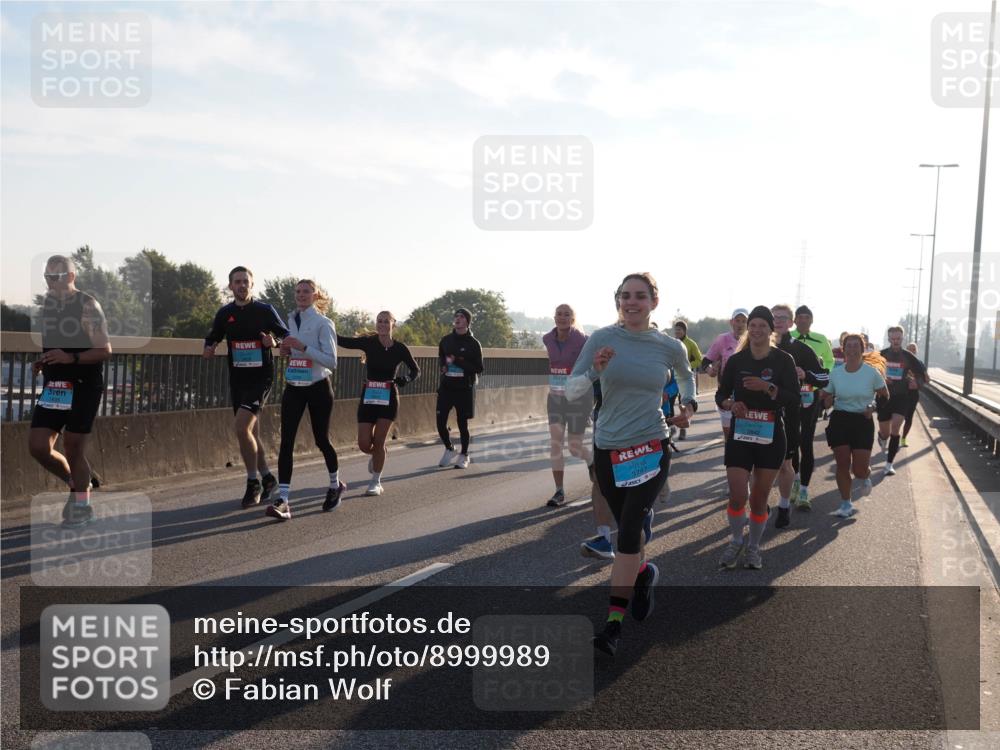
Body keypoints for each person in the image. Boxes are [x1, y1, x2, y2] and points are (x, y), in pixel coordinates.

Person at [565, 272, 696, 656]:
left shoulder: (669, 346)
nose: (631, 302)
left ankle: (612, 627)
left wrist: (689, 406)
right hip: (609, 449)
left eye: (640, 296)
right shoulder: (602, 340)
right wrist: (595, 371)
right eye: (625, 296)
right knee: (629, 532)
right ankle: (643, 572)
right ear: (618, 301)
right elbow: (572, 390)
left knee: (627, 533)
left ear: (654, 301)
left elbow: (687, 380)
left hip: (651, 446)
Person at [28, 255, 112, 528]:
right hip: (56, 387)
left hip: (84, 385)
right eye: (48, 276)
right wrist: (45, 361)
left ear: (71, 277)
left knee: (73, 446)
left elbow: (104, 350)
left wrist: (70, 359)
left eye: (57, 276)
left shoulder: (87, 305)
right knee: (38, 447)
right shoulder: (49, 305)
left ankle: (82, 505)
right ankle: (75, 482)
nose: (51, 281)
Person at [715, 306, 799, 570]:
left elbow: (794, 399)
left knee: (759, 498)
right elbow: (721, 395)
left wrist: (768, 387)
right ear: (747, 329)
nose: (756, 330)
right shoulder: (737, 361)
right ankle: (736, 540)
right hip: (741, 433)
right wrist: (730, 405)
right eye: (753, 325)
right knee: (738, 495)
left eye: (762, 325)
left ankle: (753, 548)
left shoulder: (783, 360)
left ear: (771, 330)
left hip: (771, 435)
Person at [204, 266, 290, 507]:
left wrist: (274, 342)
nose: (241, 285)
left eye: (245, 281)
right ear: (230, 286)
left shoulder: (264, 311)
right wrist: (208, 347)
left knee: (241, 428)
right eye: (237, 282)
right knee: (250, 433)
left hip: (261, 378)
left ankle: (253, 482)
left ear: (252, 285)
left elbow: (286, 335)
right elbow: (213, 336)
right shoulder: (225, 313)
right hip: (238, 379)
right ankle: (268, 478)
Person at [265, 280, 343, 520]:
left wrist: (302, 346)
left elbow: (331, 361)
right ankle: (284, 500)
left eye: (306, 291)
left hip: (318, 387)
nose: (301, 295)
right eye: (297, 292)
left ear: (315, 294)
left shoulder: (323, 323)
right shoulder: (290, 320)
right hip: (294, 387)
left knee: (321, 439)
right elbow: (294, 352)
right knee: (286, 441)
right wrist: (284, 349)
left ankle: (335, 485)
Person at [336, 311, 420, 496]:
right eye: (379, 321)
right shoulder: (369, 343)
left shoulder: (400, 348)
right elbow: (343, 341)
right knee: (364, 444)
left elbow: (415, 370)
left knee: (380, 441)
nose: (382, 324)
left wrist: (405, 378)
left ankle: (375, 481)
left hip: (388, 397)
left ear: (393, 325)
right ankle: (378, 454)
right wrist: (324, 327)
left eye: (386, 321)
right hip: (369, 396)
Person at [771, 304, 828, 525]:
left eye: (782, 318)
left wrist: (806, 374)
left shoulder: (802, 349)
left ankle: (803, 489)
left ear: (791, 323)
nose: (777, 321)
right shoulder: (760, 346)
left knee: (804, 442)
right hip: (775, 409)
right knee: (781, 451)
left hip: (805, 403)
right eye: (774, 317)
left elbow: (824, 377)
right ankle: (791, 480)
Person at [820, 334, 889, 517]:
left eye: (855, 346)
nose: (852, 349)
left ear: (862, 349)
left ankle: (865, 477)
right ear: (843, 350)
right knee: (842, 464)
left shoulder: (871, 373)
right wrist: (825, 400)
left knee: (858, 470)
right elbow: (825, 396)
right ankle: (846, 504)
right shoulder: (836, 373)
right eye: (848, 346)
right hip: (840, 420)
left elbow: (885, 396)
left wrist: (873, 406)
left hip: (862, 422)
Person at [541, 304, 593, 507]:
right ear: (554, 317)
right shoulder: (547, 339)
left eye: (567, 315)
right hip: (555, 398)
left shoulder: (583, 340)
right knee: (555, 443)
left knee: (574, 447)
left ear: (573, 319)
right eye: (559, 314)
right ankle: (559, 491)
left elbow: (593, 364)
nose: (562, 318)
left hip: (578, 399)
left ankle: (591, 462)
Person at [876, 326, 929, 474]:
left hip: (902, 397)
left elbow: (923, 376)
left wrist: (916, 383)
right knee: (885, 432)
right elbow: (872, 373)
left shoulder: (908, 356)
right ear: (889, 339)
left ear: (902, 338)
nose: (895, 341)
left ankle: (889, 464)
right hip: (884, 397)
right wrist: (883, 379)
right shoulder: (881, 355)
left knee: (895, 429)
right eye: (893, 338)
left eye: (898, 338)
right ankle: (881, 437)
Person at [436, 308, 484, 469]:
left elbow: (479, 368)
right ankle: (450, 448)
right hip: (447, 387)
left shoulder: (474, 343)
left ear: (467, 322)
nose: (457, 319)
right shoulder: (446, 340)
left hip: (464, 389)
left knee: (462, 424)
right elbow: (442, 358)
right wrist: (443, 366)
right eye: (456, 316)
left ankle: (464, 454)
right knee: (440, 421)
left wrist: (458, 361)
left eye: (461, 317)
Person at [703, 309, 748, 440]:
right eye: (737, 321)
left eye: (744, 321)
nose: (740, 324)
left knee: (745, 436)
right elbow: (705, 361)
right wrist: (710, 370)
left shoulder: (753, 341)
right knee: (729, 436)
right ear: (731, 322)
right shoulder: (723, 339)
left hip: (747, 393)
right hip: (727, 394)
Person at [672, 320, 703, 439]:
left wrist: (687, 365)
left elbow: (699, 360)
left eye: (679, 330)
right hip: (673, 378)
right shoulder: (673, 343)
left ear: (684, 331)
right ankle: (671, 427)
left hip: (686, 378)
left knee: (683, 403)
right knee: (669, 403)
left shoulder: (691, 343)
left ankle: (683, 429)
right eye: (676, 330)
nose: (677, 332)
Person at [791, 305, 835, 371]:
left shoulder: (821, 338)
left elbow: (829, 360)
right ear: (794, 320)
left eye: (807, 317)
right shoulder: (786, 336)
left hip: (813, 379)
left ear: (812, 320)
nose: (803, 320)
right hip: (789, 378)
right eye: (800, 317)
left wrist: (826, 372)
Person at [822, 331, 849, 420]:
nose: (843, 342)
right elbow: (827, 361)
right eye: (842, 340)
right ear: (840, 341)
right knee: (828, 397)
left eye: (846, 340)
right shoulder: (834, 351)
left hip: (845, 379)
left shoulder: (851, 353)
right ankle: (826, 411)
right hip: (832, 377)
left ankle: (839, 413)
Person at [901, 342, 924, 448]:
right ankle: (893, 435)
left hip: (913, 394)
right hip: (901, 393)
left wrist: (918, 382)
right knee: (898, 416)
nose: (912, 351)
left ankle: (903, 439)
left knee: (909, 418)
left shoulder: (920, 363)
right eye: (909, 349)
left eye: (913, 349)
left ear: (916, 351)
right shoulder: (902, 362)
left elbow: (924, 379)